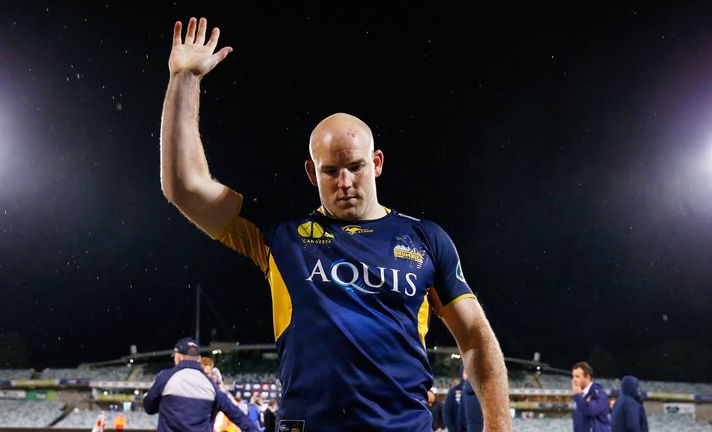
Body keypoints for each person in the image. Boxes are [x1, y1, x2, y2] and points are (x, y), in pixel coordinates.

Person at [160, 16, 511, 431]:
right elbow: (184, 186)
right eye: (331, 171)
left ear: (377, 164)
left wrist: (497, 427)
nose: (345, 182)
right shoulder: (279, 231)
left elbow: (475, 337)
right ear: (311, 173)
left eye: (356, 167)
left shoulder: (426, 239)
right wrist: (184, 80)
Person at [143, 337, 258, 432]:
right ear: (198, 359)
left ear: (178, 356)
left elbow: (149, 407)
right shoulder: (211, 385)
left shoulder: (165, 377)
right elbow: (239, 417)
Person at [571, 361, 611, 432]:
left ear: (587, 377)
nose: (574, 380)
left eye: (577, 376)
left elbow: (591, 411)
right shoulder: (579, 395)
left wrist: (578, 396)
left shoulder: (599, 394)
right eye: (573, 376)